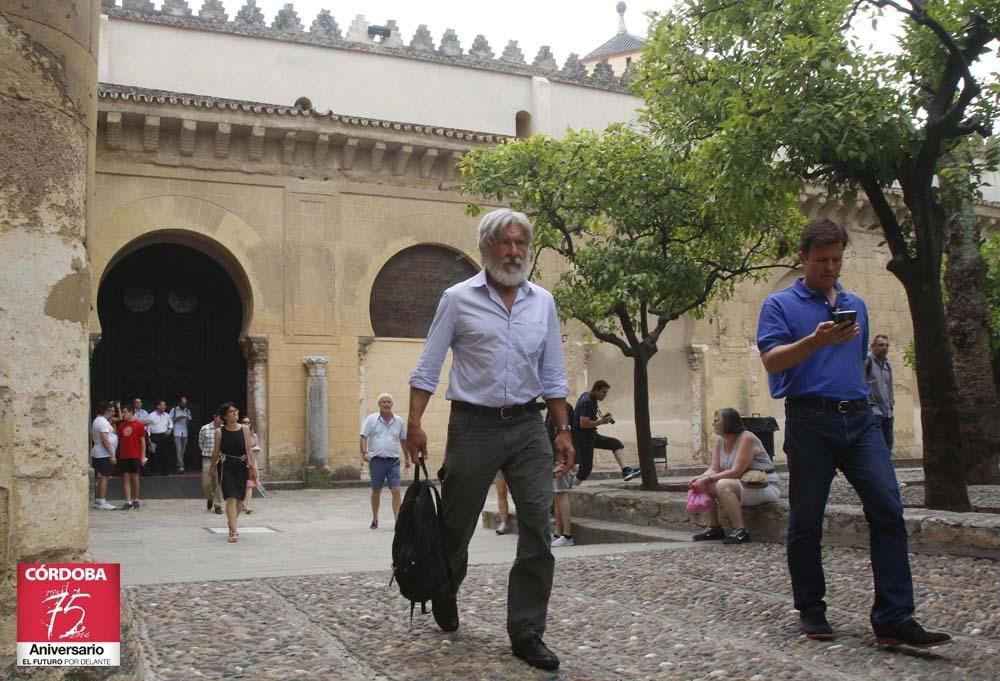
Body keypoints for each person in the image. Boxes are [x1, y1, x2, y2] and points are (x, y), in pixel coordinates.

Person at [756, 217, 949, 648]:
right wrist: (815, 342)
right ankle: (811, 607)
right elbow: (772, 361)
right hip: (810, 420)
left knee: (888, 509)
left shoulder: (855, 304)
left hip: (860, 419)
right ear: (803, 258)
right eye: (822, 260)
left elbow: (858, 360)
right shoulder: (779, 305)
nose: (830, 267)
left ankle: (894, 618)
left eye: (837, 259)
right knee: (806, 520)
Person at [408, 208, 573, 672]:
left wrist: (562, 430)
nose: (515, 252)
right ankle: (445, 586)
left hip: (527, 426)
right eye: (505, 243)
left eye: (521, 243)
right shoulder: (457, 299)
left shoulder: (543, 302)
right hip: (472, 425)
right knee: (455, 526)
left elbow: (553, 373)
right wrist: (414, 423)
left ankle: (527, 631)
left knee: (538, 527)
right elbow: (428, 364)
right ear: (486, 248)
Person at [689, 408, 781, 545]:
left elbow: (736, 471)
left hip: (763, 485)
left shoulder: (747, 438)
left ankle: (741, 531)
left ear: (728, 422)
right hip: (741, 484)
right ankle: (714, 528)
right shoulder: (720, 441)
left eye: (716, 420)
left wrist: (708, 479)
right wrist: (699, 479)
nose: (713, 423)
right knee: (704, 485)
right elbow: (714, 468)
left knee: (722, 485)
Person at [573, 380, 639, 483]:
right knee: (585, 469)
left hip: (591, 435)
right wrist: (602, 421)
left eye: (606, 392)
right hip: (584, 438)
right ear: (596, 390)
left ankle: (626, 470)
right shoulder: (587, 401)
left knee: (615, 443)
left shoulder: (590, 398)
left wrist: (602, 417)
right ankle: (571, 490)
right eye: (603, 392)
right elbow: (583, 424)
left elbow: (589, 418)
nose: (605, 395)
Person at [209, 402, 257, 543]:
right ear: (225, 416)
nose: (235, 413)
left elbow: (248, 449)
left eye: (236, 411)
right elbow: (216, 451)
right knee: (231, 497)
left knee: (240, 498)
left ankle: (232, 522)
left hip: (241, 466)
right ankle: (234, 531)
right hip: (226, 465)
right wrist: (212, 467)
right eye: (231, 412)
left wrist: (253, 467)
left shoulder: (245, 429)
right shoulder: (219, 432)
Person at [360, 393, 409, 529]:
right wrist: (364, 453)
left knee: (396, 490)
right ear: (379, 404)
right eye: (383, 402)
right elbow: (363, 436)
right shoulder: (371, 419)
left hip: (393, 461)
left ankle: (398, 521)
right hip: (376, 461)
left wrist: (407, 458)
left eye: (388, 402)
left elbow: (403, 440)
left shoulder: (398, 421)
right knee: (376, 490)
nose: (386, 404)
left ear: (392, 404)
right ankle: (375, 518)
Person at [548, 401, 576, 547]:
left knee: (562, 494)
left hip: (561, 459)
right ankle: (558, 532)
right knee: (557, 494)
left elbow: (566, 434)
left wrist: (563, 461)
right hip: (555, 459)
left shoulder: (563, 408)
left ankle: (567, 534)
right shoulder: (552, 408)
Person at [116, 404, 148, 510]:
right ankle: (128, 501)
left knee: (135, 478)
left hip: (135, 455)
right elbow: (120, 440)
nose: (123, 414)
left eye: (125, 412)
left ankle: (136, 499)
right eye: (123, 412)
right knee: (126, 478)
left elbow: (143, 442)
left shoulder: (138, 425)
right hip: (124, 455)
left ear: (131, 413)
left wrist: (143, 456)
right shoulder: (121, 426)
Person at [866, 335, 895, 453]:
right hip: (874, 412)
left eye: (887, 345)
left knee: (888, 447)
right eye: (881, 345)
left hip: (887, 413)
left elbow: (889, 387)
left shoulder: (887, 365)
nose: (884, 348)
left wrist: (891, 404)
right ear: (873, 347)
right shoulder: (867, 362)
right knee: (876, 447)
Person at [91, 402, 119, 510]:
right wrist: (112, 455)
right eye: (112, 411)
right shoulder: (102, 422)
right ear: (106, 411)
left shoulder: (99, 421)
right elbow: (105, 439)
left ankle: (99, 500)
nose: (113, 413)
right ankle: (101, 501)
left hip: (100, 453)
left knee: (103, 476)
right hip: (103, 454)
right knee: (104, 477)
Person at [199, 413, 223, 514]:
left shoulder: (224, 429)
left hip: (220, 459)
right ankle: (210, 497)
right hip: (207, 459)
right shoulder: (205, 428)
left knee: (219, 483)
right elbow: (201, 443)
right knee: (206, 483)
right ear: (215, 417)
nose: (221, 420)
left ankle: (218, 505)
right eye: (219, 417)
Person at [147, 400, 173, 475]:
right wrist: (148, 437)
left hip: (164, 436)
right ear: (158, 406)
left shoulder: (167, 415)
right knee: (154, 454)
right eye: (162, 405)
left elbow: (171, 424)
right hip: (154, 436)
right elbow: (148, 427)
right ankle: (154, 471)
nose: (164, 407)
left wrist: (170, 430)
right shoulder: (151, 415)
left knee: (165, 454)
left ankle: (165, 471)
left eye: (165, 405)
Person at [241, 416, 260, 514]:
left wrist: (252, 450)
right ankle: (243, 503)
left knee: (250, 485)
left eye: (248, 422)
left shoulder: (254, 436)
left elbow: (257, 446)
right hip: (241, 463)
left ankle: (248, 505)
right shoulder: (238, 435)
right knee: (242, 485)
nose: (246, 424)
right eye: (244, 422)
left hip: (251, 462)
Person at [169, 396, 192, 473]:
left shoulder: (187, 410)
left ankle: (178, 464)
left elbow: (189, 421)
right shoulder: (174, 410)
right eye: (182, 402)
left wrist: (188, 419)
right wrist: (178, 418)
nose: (184, 404)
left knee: (183, 450)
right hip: (177, 432)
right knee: (178, 449)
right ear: (179, 402)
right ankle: (181, 466)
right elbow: (169, 420)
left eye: (185, 403)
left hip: (185, 432)